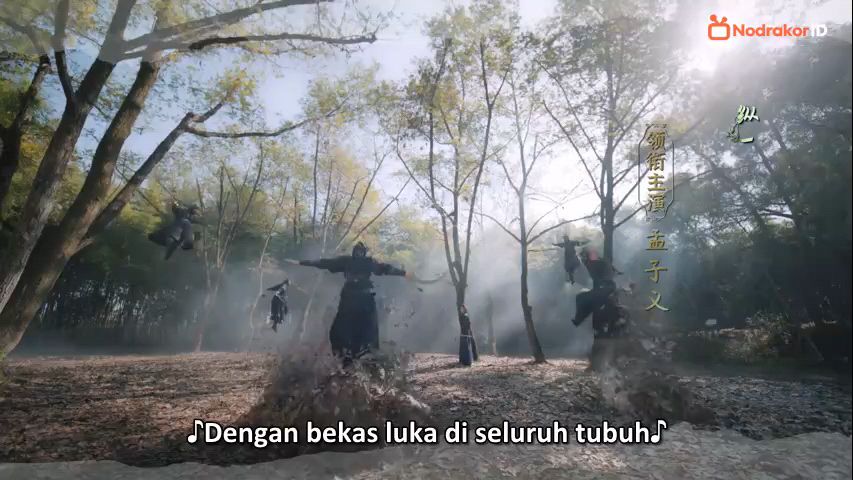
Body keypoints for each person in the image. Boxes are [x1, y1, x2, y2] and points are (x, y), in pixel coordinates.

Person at [289, 242, 412, 366]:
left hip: (364, 300)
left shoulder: (369, 262)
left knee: (367, 331)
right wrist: (302, 262)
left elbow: (385, 268)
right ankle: (346, 358)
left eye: (361, 251)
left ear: (364, 253)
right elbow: (325, 263)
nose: (358, 253)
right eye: (357, 251)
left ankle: (364, 358)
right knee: (338, 331)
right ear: (354, 251)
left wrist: (404, 273)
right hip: (349, 299)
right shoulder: (346, 261)